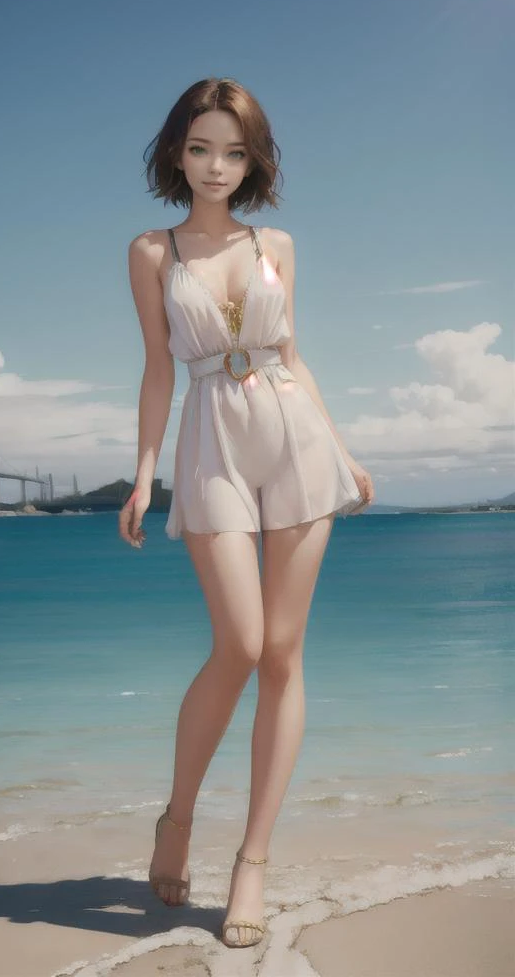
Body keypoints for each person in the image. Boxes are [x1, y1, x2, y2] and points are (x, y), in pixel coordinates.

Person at [117, 77, 374, 949]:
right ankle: (178, 819)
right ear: (175, 152)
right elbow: (158, 369)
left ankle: (253, 863)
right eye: (200, 149)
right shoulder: (154, 251)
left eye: (234, 151)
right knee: (240, 643)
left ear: (253, 158)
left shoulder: (278, 244)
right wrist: (144, 475)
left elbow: (294, 354)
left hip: (294, 435)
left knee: (285, 654)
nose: (217, 167)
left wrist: (340, 450)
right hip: (210, 443)